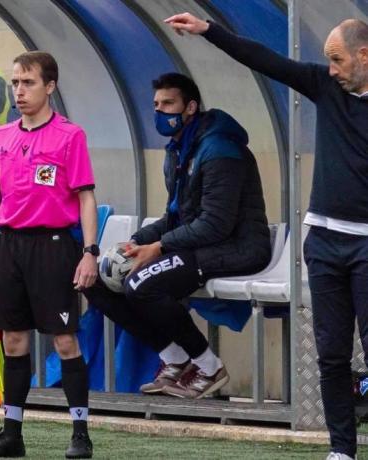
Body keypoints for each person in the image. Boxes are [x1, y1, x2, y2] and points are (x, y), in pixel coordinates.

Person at [164, 13, 368, 460]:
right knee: (332, 355)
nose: (330, 69)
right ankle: (341, 451)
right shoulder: (327, 87)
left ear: (364, 56)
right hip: (324, 242)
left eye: (337, 60)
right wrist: (209, 31)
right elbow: (266, 59)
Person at [83, 73, 271, 400]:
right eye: (156, 104)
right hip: (202, 246)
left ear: (191, 107)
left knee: (141, 284)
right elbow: (176, 217)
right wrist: (138, 241)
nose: (160, 111)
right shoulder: (178, 150)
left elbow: (215, 224)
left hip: (238, 248)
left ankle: (209, 367)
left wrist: (158, 247)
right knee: (98, 281)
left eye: (168, 103)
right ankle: (175, 359)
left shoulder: (220, 149)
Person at [0, 51, 97, 459]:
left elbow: (86, 196)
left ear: (50, 87)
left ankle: (80, 432)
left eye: (28, 83)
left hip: (55, 246)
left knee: (63, 341)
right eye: (16, 83)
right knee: (14, 340)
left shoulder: (69, 136)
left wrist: (90, 252)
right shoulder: (3, 137)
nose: (20, 91)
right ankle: (12, 434)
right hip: (9, 247)